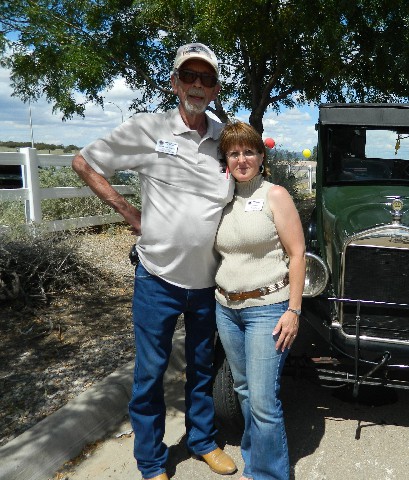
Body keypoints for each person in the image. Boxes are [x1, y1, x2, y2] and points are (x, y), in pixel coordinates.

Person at [71, 43, 237, 480]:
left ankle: (202, 441)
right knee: (149, 375)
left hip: (208, 282)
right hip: (157, 279)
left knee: (203, 368)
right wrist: (128, 213)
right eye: (190, 77)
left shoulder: (226, 139)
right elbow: (84, 162)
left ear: (217, 88)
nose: (197, 85)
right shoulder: (147, 129)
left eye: (207, 78)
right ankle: (150, 460)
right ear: (175, 82)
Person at [214, 121, 305, 480]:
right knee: (244, 391)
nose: (241, 159)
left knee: (265, 401)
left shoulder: (275, 195)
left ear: (261, 156)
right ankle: (256, 461)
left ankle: (270, 475)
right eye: (234, 153)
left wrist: (294, 311)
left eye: (248, 151)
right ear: (226, 160)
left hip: (268, 308)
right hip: (227, 309)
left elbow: (297, 254)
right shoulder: (220, 198)